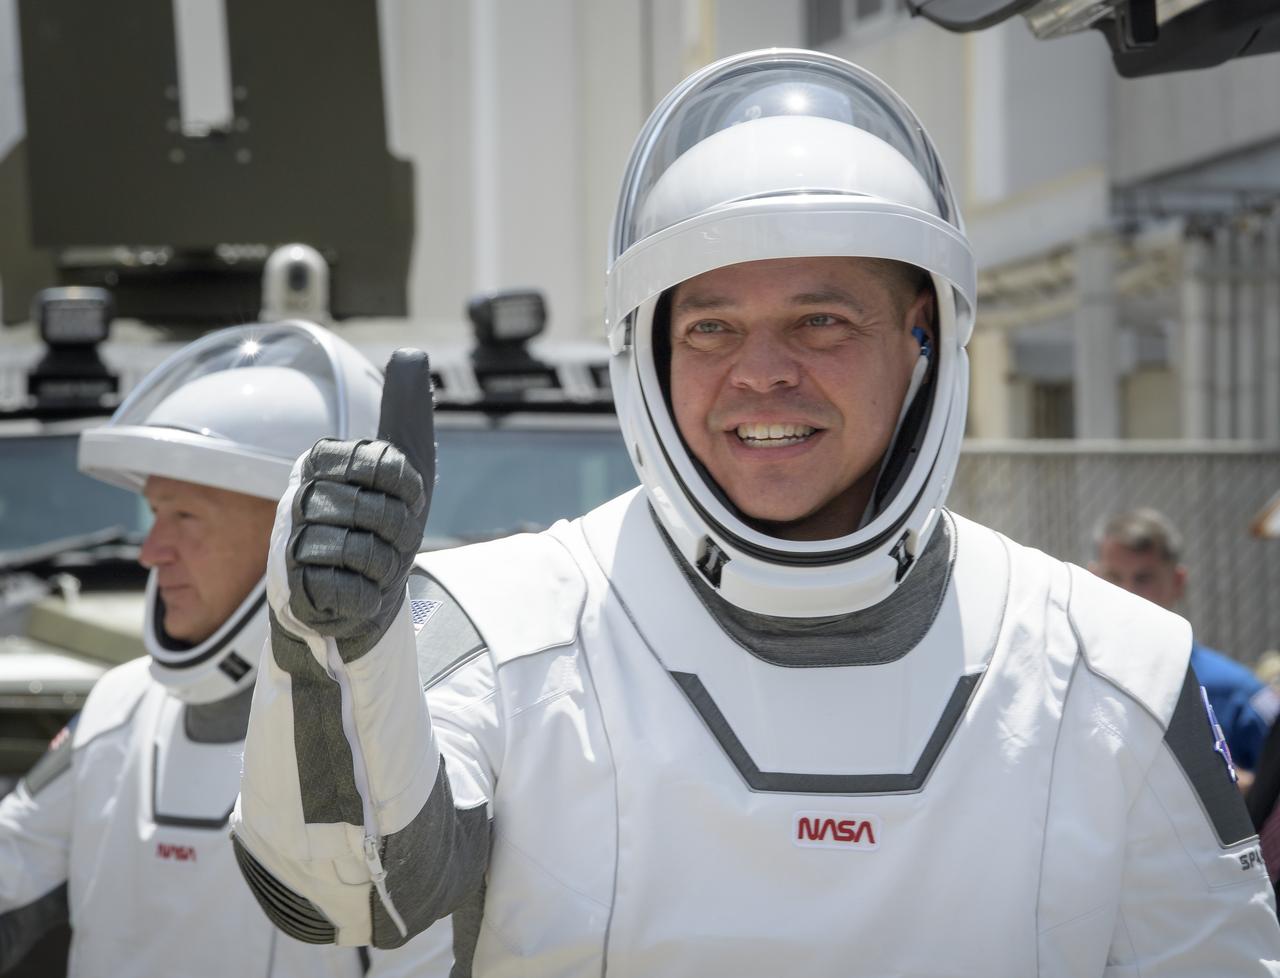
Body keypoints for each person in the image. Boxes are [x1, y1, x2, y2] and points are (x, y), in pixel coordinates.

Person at [230, 50, 1280, 975]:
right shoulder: (498, 625)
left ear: (923, 335)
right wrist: (328, 654)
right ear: (648, 351)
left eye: (820, 320)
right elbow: (343, 900)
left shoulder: (1113, 667)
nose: (760, 375)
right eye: (712, 327)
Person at [0, 321, 451, 976]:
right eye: (153, 515)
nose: (151, 553)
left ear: (292, 532)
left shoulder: (397, 739)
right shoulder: (117, 708)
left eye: (185, 516)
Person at [1091, 507, 1279, 782]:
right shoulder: (1070, 682)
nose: (1126, 593)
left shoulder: (1237, 693)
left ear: (1178, 582)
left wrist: (1223, 789)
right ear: (1091, 580)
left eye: (1143, 578)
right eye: (1114, 577)